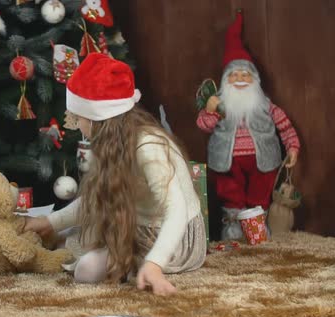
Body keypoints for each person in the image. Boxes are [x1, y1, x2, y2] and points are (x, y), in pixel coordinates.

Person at [25, 53, 207, 296]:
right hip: (137, 228)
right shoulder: (110, 145)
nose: (76, 125)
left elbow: (176, 209)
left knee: (86, 267)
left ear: (97, 119)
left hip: (174, 238)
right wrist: (51, 222)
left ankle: (139, 264)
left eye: (78, 118)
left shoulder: (148, 146)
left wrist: (155, 264)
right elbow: (97, 201)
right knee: (82, 253)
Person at [196, 11, 300, 240]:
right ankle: (234, 226)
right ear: (225, 81)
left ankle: (257, 224)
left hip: (263, 160)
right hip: (226, 161)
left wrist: (292, 146)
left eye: (245, 75)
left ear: (255, 81)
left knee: (260, 190)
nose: (240, 79)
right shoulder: (219, 104)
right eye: (234, 75)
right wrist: (211, 111)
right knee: (229, 190)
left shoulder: (265, 105)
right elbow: (203, 125)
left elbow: (284, 125)